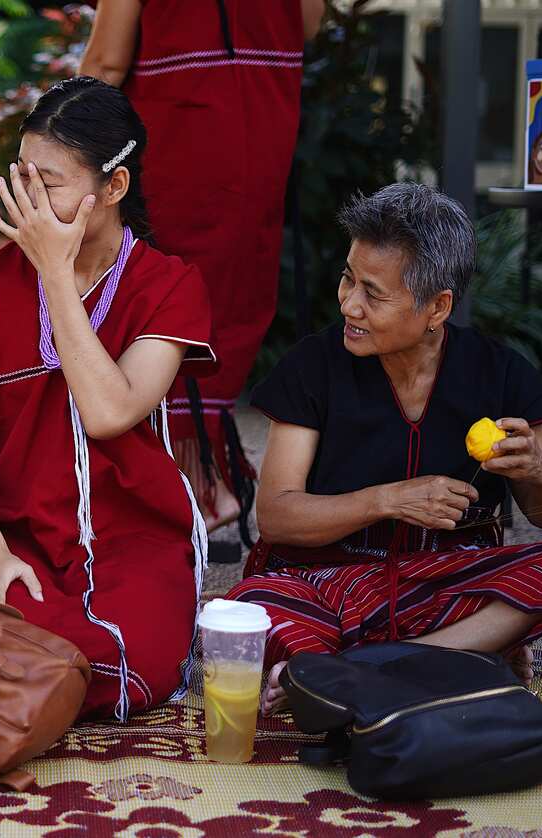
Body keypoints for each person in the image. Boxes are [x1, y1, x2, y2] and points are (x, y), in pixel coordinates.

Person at [0, 77, 216, 721]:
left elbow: (110, 413)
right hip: (6, 529)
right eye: (22, 176)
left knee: (135, 664)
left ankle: (10, 695)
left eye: (49, 184)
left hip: (131, 537)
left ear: (113, 187)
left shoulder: (169, 285)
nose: (28, 200)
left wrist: (55, 271)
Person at [226, 183, 542, 714]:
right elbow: (276, 516)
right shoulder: (314, 366)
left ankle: (355, 672)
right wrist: (389, 499)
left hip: (438, 585)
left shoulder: (498, 372)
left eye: (373, 293)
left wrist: (537, 473)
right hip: (322, 582)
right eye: (348, 277)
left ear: (437, 307)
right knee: (255, 604)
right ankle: (454, 660)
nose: (350, 303)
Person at [79, 0, 326, 539]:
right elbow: (307, 23)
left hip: (178, 138)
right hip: (261, 131)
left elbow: (105, 61)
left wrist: (66, 149)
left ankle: (192, 481)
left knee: (160, 290)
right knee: (234, 293)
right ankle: (205, 468)